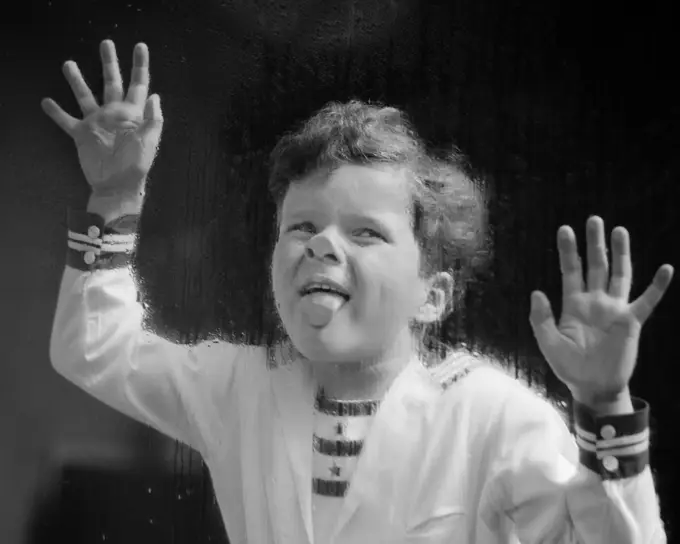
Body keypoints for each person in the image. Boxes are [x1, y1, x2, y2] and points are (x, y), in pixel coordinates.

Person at [45, 40, 673, 544]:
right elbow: (94, 349)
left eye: (366, 232)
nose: (322, 246)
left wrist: (605, 403)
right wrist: (116, 198)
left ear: (433, 295)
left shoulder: (492, 417)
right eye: (302, 227)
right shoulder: (237, 388)